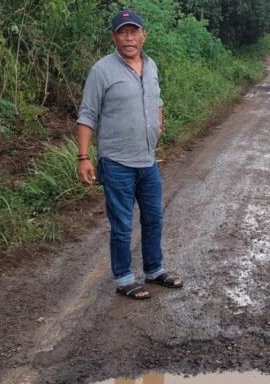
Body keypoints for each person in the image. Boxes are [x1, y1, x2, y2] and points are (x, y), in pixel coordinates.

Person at [77, 9, 183, 300]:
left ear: (143, 35)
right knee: (122, 225)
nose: (129, 38)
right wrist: (83, 157)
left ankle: (154, 269)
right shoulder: (102, 70)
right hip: (116, 162)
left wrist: (157, 122)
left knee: (153, 218)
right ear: (114, 37)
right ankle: (124, 277)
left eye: (133, 31)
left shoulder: (151, 65)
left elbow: (157, 98)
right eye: (122, 32)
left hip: (147, 160)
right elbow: (87, 114)